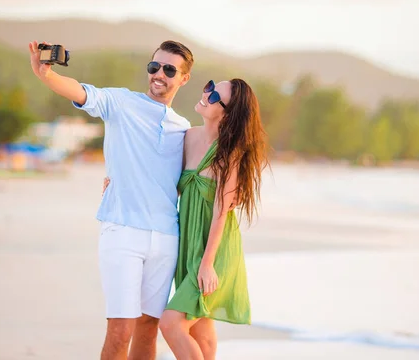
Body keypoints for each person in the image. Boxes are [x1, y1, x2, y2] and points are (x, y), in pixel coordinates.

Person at [28, 39, 194, 360]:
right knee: (120, 331)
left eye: (169, 69)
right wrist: (46, 75)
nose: (159, 74)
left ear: (183, 79)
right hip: (122, 232)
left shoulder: (183, 128)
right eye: (154, 66)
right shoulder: (121, 102)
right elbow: (81, 92)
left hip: (165, 237)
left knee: (148, 329)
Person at [104, 78, 270, 359]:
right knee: (201, 335)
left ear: (228, 113)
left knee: (172, 324)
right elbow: (158, 173)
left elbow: (220, 212)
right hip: (187, 246)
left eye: (215, 94)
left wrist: (207, 265)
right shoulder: (188, 137)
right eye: (210, 86)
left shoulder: (230, 153)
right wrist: (120, 183)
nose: (207, 93)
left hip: (213, 252)